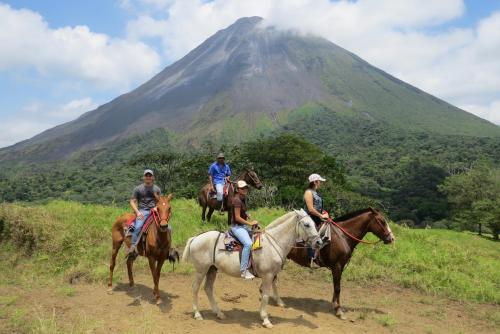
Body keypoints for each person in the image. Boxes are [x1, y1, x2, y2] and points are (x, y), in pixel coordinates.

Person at [128, 169, 161, 258]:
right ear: (144, 177)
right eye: (146, 175)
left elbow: (160, 201)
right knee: (138, 227)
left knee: (167, 227)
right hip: (143, 211)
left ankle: (167, 247)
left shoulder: (157, 189)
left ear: (152, 177)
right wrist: (138, 212)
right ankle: (133, 247)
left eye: (150, 176)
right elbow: (132, 201)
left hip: (154, 210)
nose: (148, 177)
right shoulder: (138, 189)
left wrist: (156, 207)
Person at [231, 180, 258, 279]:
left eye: (246, 187)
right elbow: (237, 217)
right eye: (242, 188)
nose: (245, 189)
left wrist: (247, 214)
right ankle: (243, 270)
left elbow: (242, 211)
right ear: (238, 190)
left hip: (243, 227)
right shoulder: (237, 200)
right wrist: (250, 223)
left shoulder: (242, 198)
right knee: (248, 244)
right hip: (237, 227)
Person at [304, 173, 329, 269]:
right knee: (312, 234)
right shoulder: (308, 192)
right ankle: (312, 259)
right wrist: (321, 215)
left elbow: (318, 208)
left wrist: (324, 213)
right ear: (315, 182)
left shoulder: (316, 193)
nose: (320, 183)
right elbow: (310, 209)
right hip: (309, 218)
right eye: (319, 181)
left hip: (318, 217)